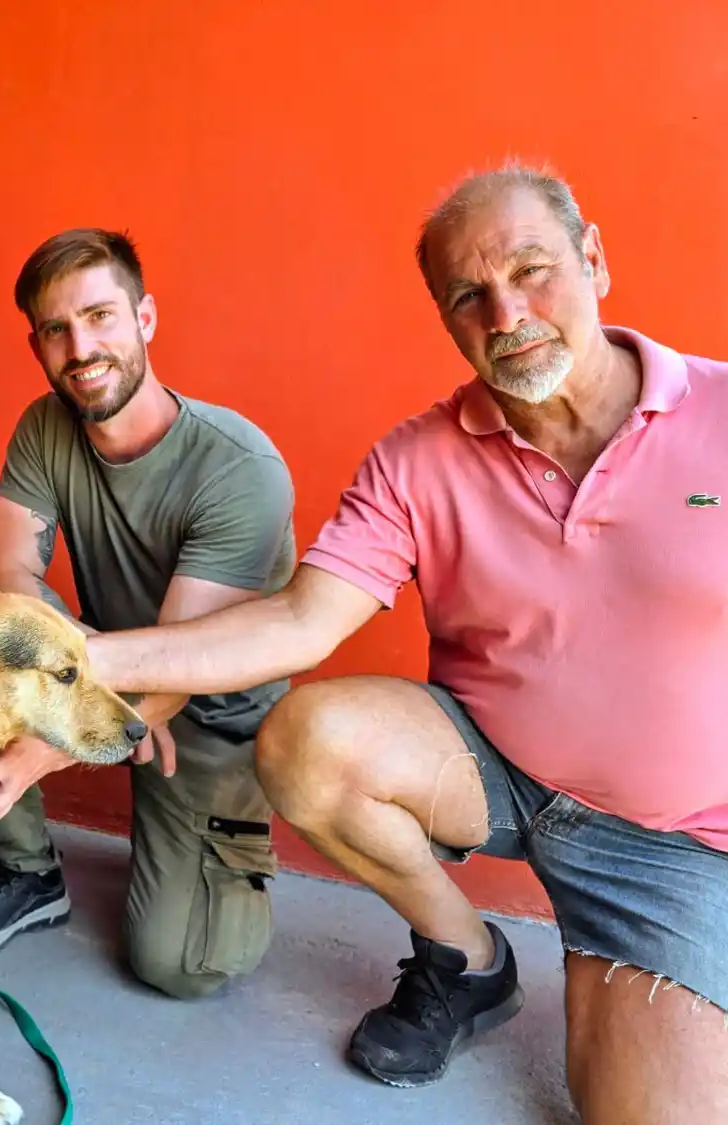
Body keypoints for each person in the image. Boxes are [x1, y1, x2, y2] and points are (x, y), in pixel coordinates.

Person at [68, 168, 728, 1121]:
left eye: (532, 270)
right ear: (445, 316)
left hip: (676, 841)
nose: (506, 313)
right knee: (308, 738)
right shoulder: (419, 457)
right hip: (494, 769)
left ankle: (618, 969)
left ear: (594, 258)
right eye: (469, 295)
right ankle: (471, 962)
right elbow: (299, 620)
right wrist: (80, 661)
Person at [0, 228, 297, 1002]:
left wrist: (46, 748)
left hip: (208, 722)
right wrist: (86, 693)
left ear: (146, 317)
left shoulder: (239, 467)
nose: (81, 346)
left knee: (178, 966)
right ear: (36, 343)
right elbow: (7, 582)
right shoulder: (46, 425)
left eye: (101, 316)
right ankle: (26, 868)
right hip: (98, 680)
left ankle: (213, 843)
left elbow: (184, 661)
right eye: (56, 329)